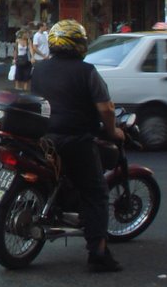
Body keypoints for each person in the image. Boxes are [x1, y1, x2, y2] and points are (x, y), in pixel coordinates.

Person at [30, 19, 125, 272]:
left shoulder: (38, 69)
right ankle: (98, 252)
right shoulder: (87, 71)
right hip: (75, 139)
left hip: (42, 139)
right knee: (96, 192)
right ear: (79, 44)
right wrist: (112, 130)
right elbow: (106, 108)